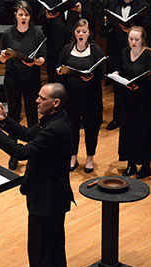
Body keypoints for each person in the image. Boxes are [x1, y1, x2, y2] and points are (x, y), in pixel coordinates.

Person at [0, 83, 75, 267]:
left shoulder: (55, 128)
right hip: (50, 197)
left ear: (55, 102)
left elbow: (22, 153)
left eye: (42, 98)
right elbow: (26, 134)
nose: (36, 101)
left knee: (42, 254)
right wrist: (5, 120)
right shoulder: (54, 119)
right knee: (52, 251)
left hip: (48, 200)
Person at [0, 0, 46, 170]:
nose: (24, 17)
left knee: (33, 115)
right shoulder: (8, 33)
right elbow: (2, 57)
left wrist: (34, 62)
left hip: (32, 78)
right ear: (15, 15)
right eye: (21, 14)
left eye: (26, 14)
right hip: (12, 78)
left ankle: (34, 153)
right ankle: (14, 154)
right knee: (13, 114)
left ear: (30, 16)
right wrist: (4, 57)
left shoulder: (37, 33)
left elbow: (42, 58)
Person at [56, 19, 104, 172]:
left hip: (91, 97)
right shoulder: (67, 49)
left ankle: (90, 158)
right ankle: (73, 156)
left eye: (84, 31)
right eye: (78, 32)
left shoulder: (96, 50)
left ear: (89, 33)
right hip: (72, 96)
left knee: (91, 127)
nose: (81, 34)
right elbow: (59, 67)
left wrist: (92, 76)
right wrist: (59, 71)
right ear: (74, 33)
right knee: (72, 127)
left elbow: (101, 74)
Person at [115, 25, 151, 179]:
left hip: (143, 99)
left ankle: (145, 165)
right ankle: (131, 164)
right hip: (127, 98)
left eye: (136, 39)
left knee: (142, 130)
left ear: (142, 40)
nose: (133, 42)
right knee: (127, 129)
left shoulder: (148, 55)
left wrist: (140, 84)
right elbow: (121, 68)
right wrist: (117, 73)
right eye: (131, 39)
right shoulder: (125, 52)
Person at [104, 0, 151, 130]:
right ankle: (117, 118)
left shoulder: (143, 5)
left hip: (136, 51)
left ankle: (134, 119)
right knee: (118, 86)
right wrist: (107, 22)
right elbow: (107, 28)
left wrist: (133, 28)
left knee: (136, 85)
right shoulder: (113, 4)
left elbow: (148, 26)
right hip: (117, 51)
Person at [39, 0, 90, 83]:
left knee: (73, 83)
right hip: (54, 49)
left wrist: (81, 11)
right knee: (54, 83)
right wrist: (47, 17)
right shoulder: (49, 1)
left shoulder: (80, 1)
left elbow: (91, 18)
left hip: (75, 50)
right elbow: (39, 19)